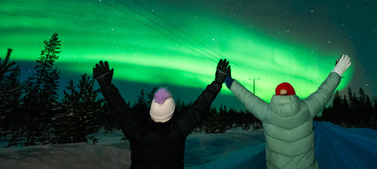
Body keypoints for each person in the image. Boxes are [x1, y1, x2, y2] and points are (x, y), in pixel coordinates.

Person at [93, 59, 230, 169]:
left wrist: (106, 85)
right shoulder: (178, 131)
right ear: (171, 112)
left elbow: (119, 108)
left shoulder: (136, 131)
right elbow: (199, 107)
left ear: (151, 111)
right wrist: (217, 82)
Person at [224, 54, 352, 169]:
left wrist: (229, 82)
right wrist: (337, 71)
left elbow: (246, 97)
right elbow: (325, 91)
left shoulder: (266, 112)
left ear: (276, 95)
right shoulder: (307, 109)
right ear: (293, 94)